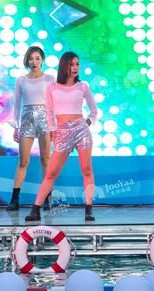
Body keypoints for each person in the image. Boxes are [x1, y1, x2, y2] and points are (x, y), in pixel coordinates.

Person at [25, 52, 98, 222]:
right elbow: (49, 112)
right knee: (51, 173)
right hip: (62, 132)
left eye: (77, 64)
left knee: (87, 170)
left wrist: (85, 124)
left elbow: (94, 111)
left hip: (81, 131)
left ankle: (88, 208)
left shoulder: (83, 87)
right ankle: (35, 209)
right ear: (64, 66)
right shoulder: (52, 87)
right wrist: (53, 130)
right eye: (71, 64)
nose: (75, 68)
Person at [6, 46, 55, 211]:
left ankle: (47, 199)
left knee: (45, 160)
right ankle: (14, 200)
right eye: (31, 59)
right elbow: (17, 104)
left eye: (37, 58)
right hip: (26, 119)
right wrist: (16, 126)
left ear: (42, 60)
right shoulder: (21, 80)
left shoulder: (49, 79)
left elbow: (54, 103)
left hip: (45, 119)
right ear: (27, 60)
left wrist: (54, 126)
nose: (34, 62)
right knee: (23, 161)